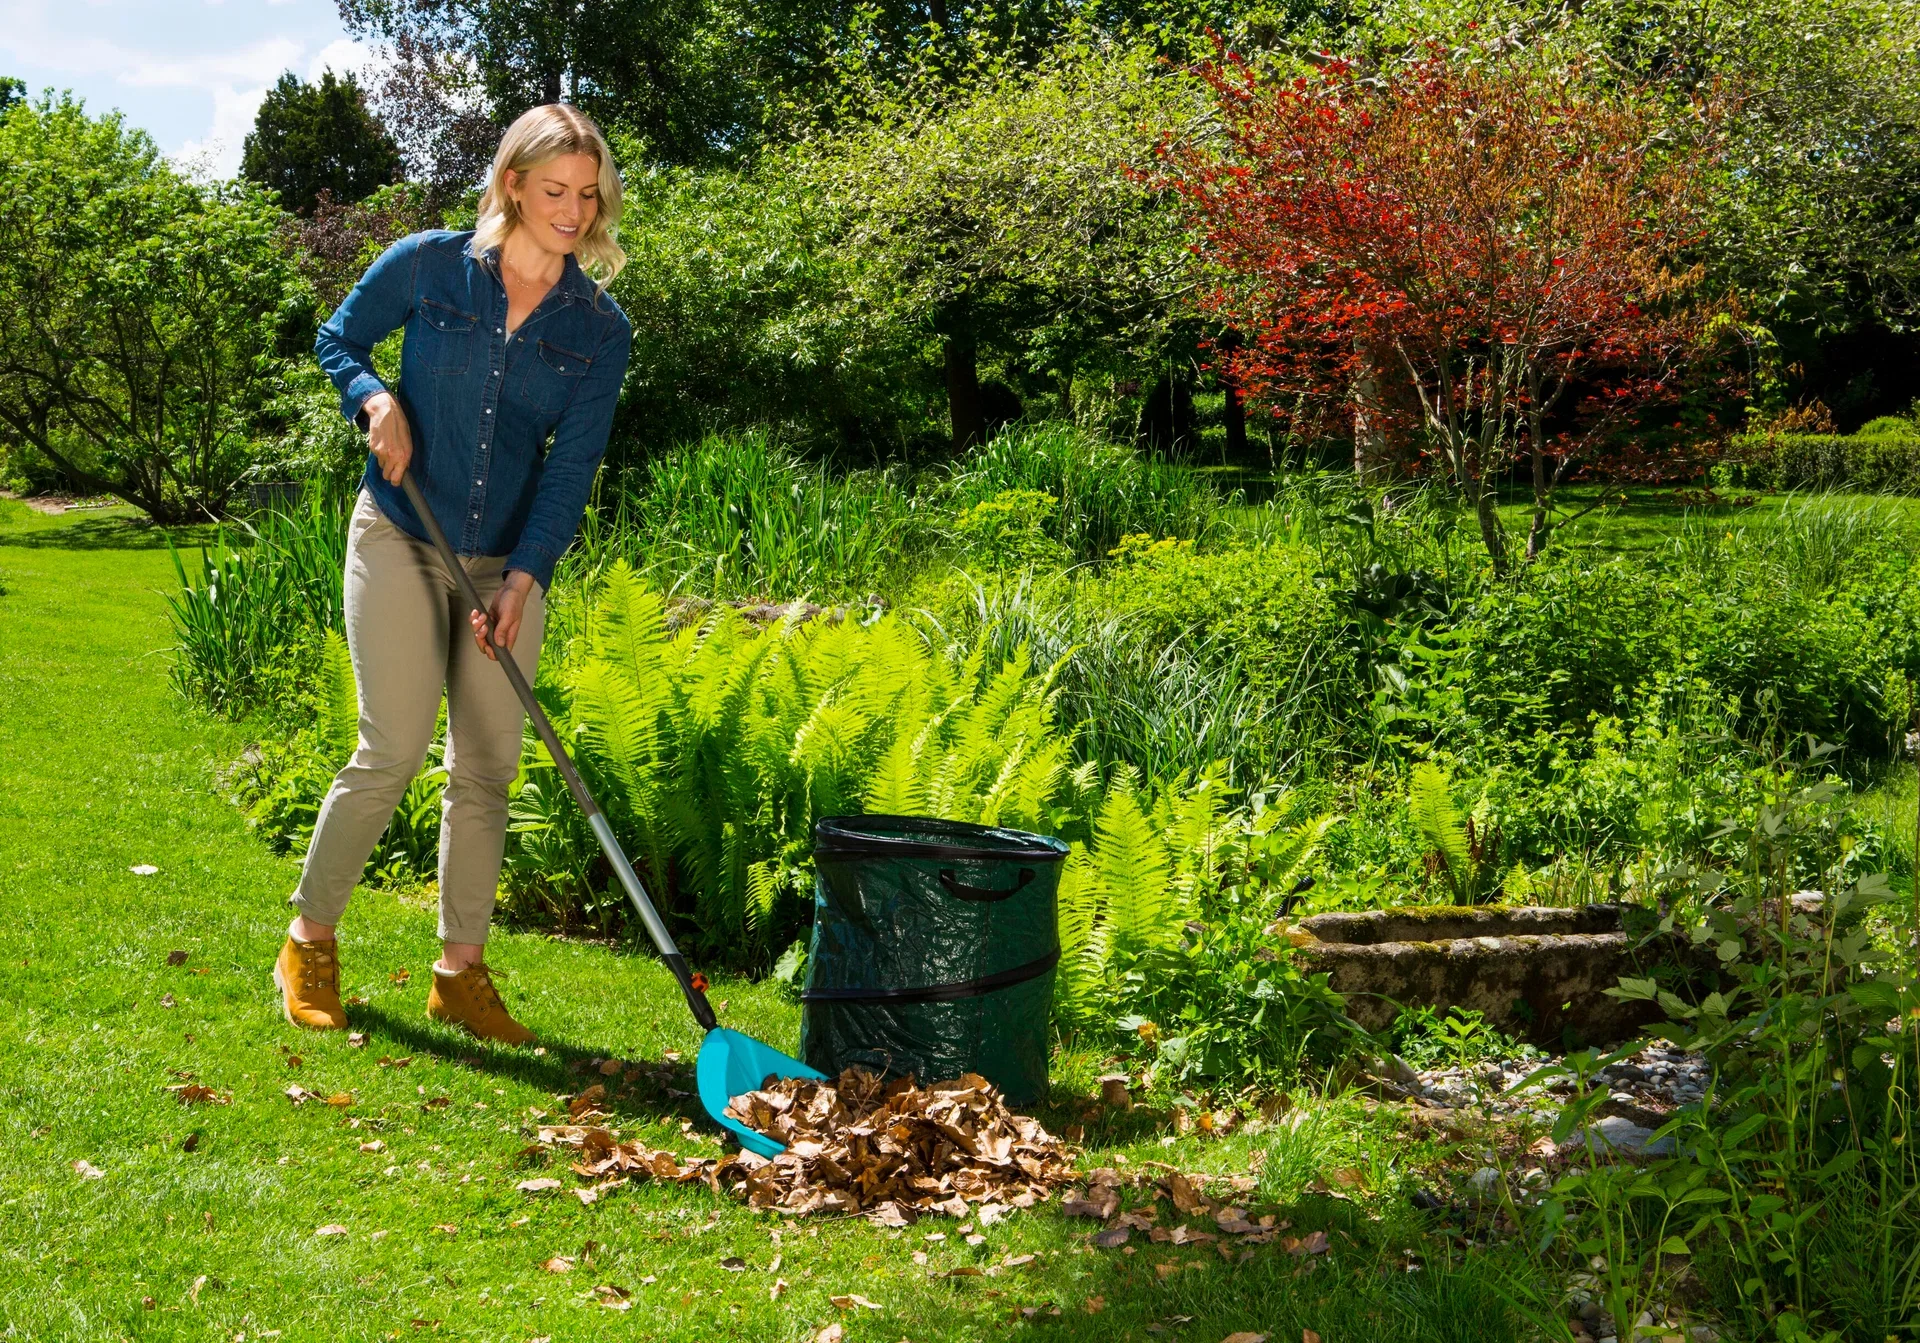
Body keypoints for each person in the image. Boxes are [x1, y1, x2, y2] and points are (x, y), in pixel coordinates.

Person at [276, 103, 633, 1043]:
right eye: (554, 190)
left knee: (487, 767)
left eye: (588, 194)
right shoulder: (430, 264)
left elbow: (571, 468)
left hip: (504, 559)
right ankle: (308, 941)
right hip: (401, 531)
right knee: (391, 748)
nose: (573, 212)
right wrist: (374, 398)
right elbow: (337, 338)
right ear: (512, 184)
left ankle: (459, 974)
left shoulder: (599, 329)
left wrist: (524, 579)